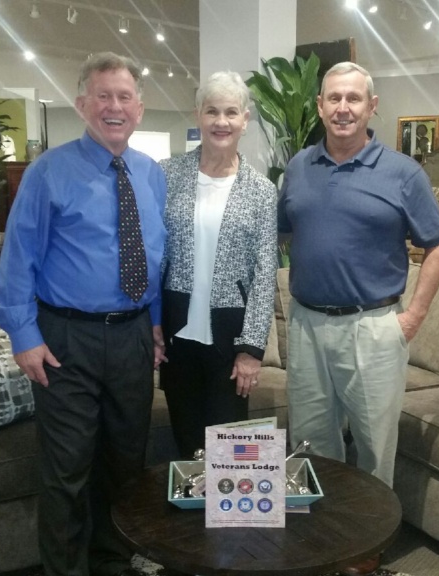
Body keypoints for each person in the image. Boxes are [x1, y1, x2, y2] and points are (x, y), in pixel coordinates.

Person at [0, 52, 166, 576]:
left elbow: (155, 256)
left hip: (133, 337)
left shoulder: (151, 174)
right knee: (66, 471)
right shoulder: (48, 172)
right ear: (82, 104)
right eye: (103, 96)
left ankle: (113, 562)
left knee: (125, 464)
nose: (114, 107)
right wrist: (23, 335)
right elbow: (18, 259)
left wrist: (155, 323)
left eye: (124, 97)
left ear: (139, 108)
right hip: (66, 340)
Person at [278, 61, 439, 572]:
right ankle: (323, 542)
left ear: (372, 106)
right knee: (312, 444)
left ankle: (365, 553)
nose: (343, 108)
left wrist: (413, 316)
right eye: (333, 98)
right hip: (307, 325)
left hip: (373, 327)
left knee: (375, 449)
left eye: (353, 98)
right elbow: (284, 231)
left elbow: (438, 244)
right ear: (319, 106)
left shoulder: (402, 173)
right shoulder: (298, 168)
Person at [158, 71, 278, 459]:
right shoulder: (166, 174)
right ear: (198, 115)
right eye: (212, 111)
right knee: (186, 447)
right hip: (177, 337)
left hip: (231, 341)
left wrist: (252, 350)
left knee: (230, 455)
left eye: (231, 112)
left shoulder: (261, 191)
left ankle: (225, 505)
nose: (221, 121)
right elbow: (153, 255)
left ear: (245, 119)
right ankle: (190, 503)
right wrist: (152, 324)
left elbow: (265, 275)